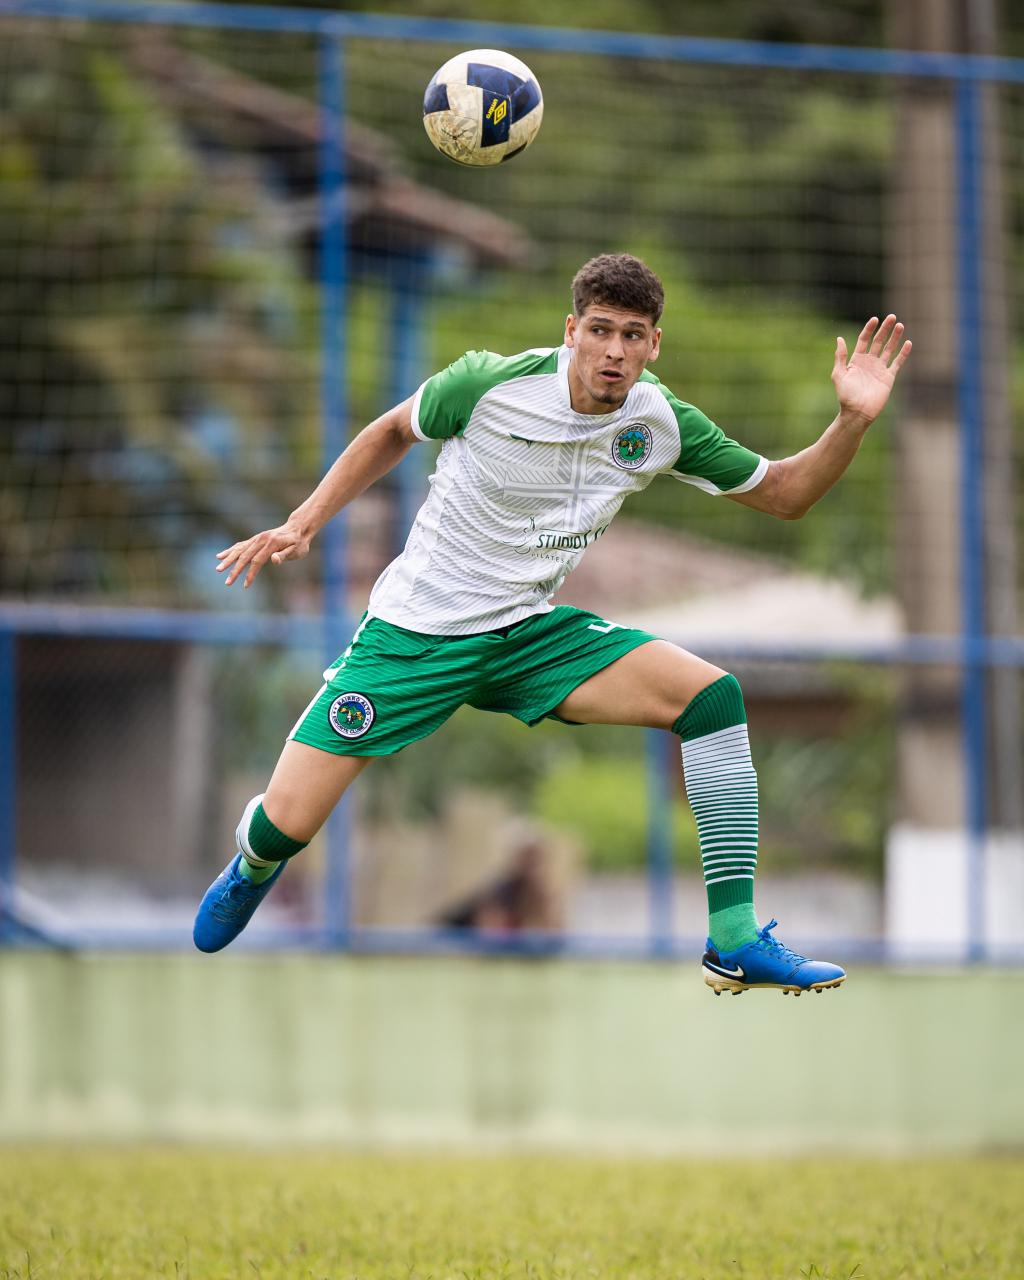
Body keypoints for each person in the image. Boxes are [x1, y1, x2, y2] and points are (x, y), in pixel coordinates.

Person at [193, 253, 911, 994]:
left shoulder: (660, 420)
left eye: (632, 335)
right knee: (287, 824)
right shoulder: (487, 384)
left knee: (712, 698)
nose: (613, 351)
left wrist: (851, 421)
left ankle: (733, 941)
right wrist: (303, 522)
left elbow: (786, 495)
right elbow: (393, 431)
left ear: (654, 345)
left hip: (528, 635)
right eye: (599, 330)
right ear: (571, 331)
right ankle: (254, 861)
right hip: (415, 638)